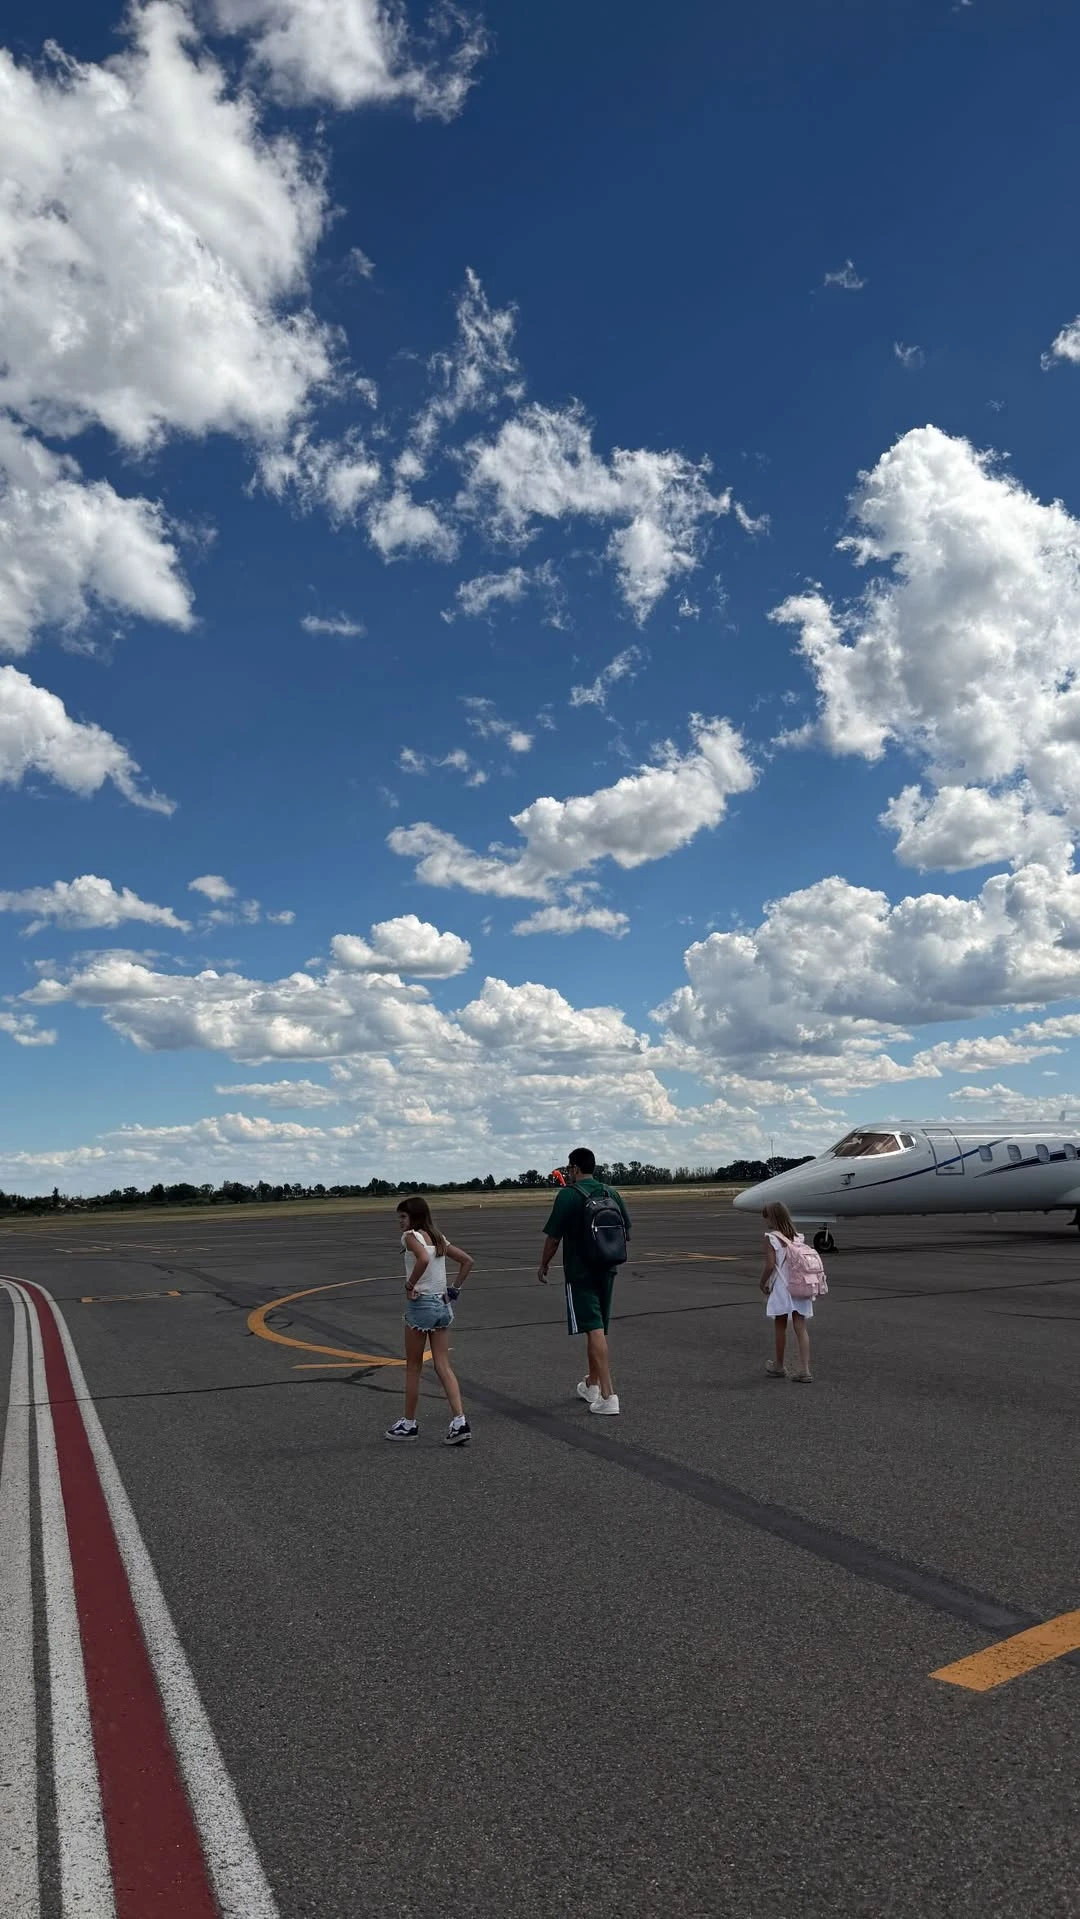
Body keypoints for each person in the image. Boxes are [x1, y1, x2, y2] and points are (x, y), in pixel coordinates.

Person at [538, 1148, 630, 1416]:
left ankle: (608, 1394)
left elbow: (553, 1237)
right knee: (598, 1326)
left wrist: (544, 1263)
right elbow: (626, 1231)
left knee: (593, 1329)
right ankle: (592, 1383)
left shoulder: (568, 1195)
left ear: (575, 1168)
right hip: (608, 1267)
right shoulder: (610, 1192)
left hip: (581, 1271)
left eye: (569, 1167)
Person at [384, 1196, 474, 1444]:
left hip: (421, 1305)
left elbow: (423, 1259)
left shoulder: (411, 1237)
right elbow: (467, 1261)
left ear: (414, 1217)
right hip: (443, 1305)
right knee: (443, 1365)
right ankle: (459, 1421)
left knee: (413, 1367)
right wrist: (454, 1289)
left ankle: (409, 1424)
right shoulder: (438, 1237)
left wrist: (410, 1284)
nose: (400, 1222)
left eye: (403, 1217)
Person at [759, 1201, 813, 1383]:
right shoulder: (798, 1237)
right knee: (801, 1326)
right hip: (801, 1284)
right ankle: (805, 1370)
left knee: (780, 1326)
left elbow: (770, 1265)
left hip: (783, 1287)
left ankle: (779, 1365)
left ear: (772, 1218)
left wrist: (762, 1282)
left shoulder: (771, 1238)